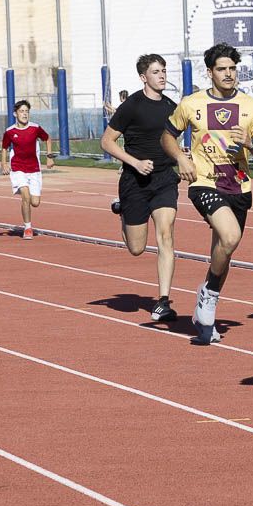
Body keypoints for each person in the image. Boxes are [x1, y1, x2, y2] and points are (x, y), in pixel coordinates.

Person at [161, 43, 253, 345]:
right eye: (222, 69)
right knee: (231, 236)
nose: (228, 74)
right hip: (205, 182)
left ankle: (206, 306)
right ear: (210, 72)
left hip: (239, 185)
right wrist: (181, 158)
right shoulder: (191, 104)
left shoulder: (252, 107)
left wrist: (250, 143)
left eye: (232, 69)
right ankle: (209, 295)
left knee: (224, 250)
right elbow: (167, 136)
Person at [100, 53, 180, 322]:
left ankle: (164, 301)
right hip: (135, 181)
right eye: (156, 72)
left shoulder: (171, 107)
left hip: (164, 179)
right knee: (137, 248)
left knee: (166, 235)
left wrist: (181, 156)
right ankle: (123, 210)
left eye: (164, 71)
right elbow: (107, 142)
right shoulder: (131, 106)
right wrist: (134, 162)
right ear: (143, 77)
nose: (162, 76)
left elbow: (171, 141)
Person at [1, 100, 54, 239]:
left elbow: (47, 138)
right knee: (25, 195)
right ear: (15, 114)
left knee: (35, 202)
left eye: (26, 111)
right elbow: (4, 148)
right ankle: (28, 228)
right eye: (21, 111)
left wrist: (49, 157)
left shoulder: (35, 128)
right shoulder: (10, 131)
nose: (24, 114)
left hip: (34, 169)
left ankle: (27, 199)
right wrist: (4, 164)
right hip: (18, 168)